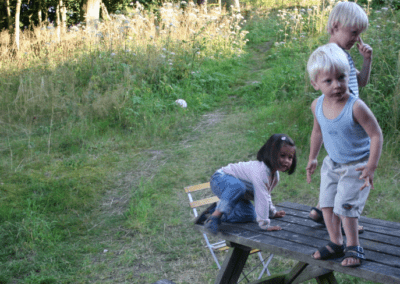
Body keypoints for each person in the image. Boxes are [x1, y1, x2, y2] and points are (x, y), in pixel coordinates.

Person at [306, 43, 383, 267]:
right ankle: (335, 242)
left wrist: (371, 166)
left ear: (349, 76)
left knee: (346, 206)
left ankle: (353, 245)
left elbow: (376, 134)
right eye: (328, 81)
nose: (337, 85)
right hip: (332, 163)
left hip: (356, 165)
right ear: (315, 83)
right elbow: (317, 131)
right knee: (327, 204)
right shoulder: (317, 105)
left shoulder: (356, 106)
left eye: (342, 78)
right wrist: (313, 157)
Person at [309, 2, 373, 233]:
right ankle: (347, 216)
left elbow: (362, 81)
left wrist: (367, 60)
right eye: (354, 32)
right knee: (351, 168)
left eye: (360, 34)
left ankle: (320, 209)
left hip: (352, 119)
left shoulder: (344, 55)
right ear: (335, 26)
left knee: (341, 166)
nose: (357, 39)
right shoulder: (331, 56)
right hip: (342, 117)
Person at [203, 134, 296, 235]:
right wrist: (265, 225)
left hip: (238, 191)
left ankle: (210, 213)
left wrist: (272, 213)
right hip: (220, 179)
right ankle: (214, 218)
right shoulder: (261, 171)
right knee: (237, 187)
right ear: (271, 153)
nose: (286, 161)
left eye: (290, 157)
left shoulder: (275, 176)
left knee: (249, 215)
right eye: (282, 156)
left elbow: (265, 194)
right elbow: (261, 197)